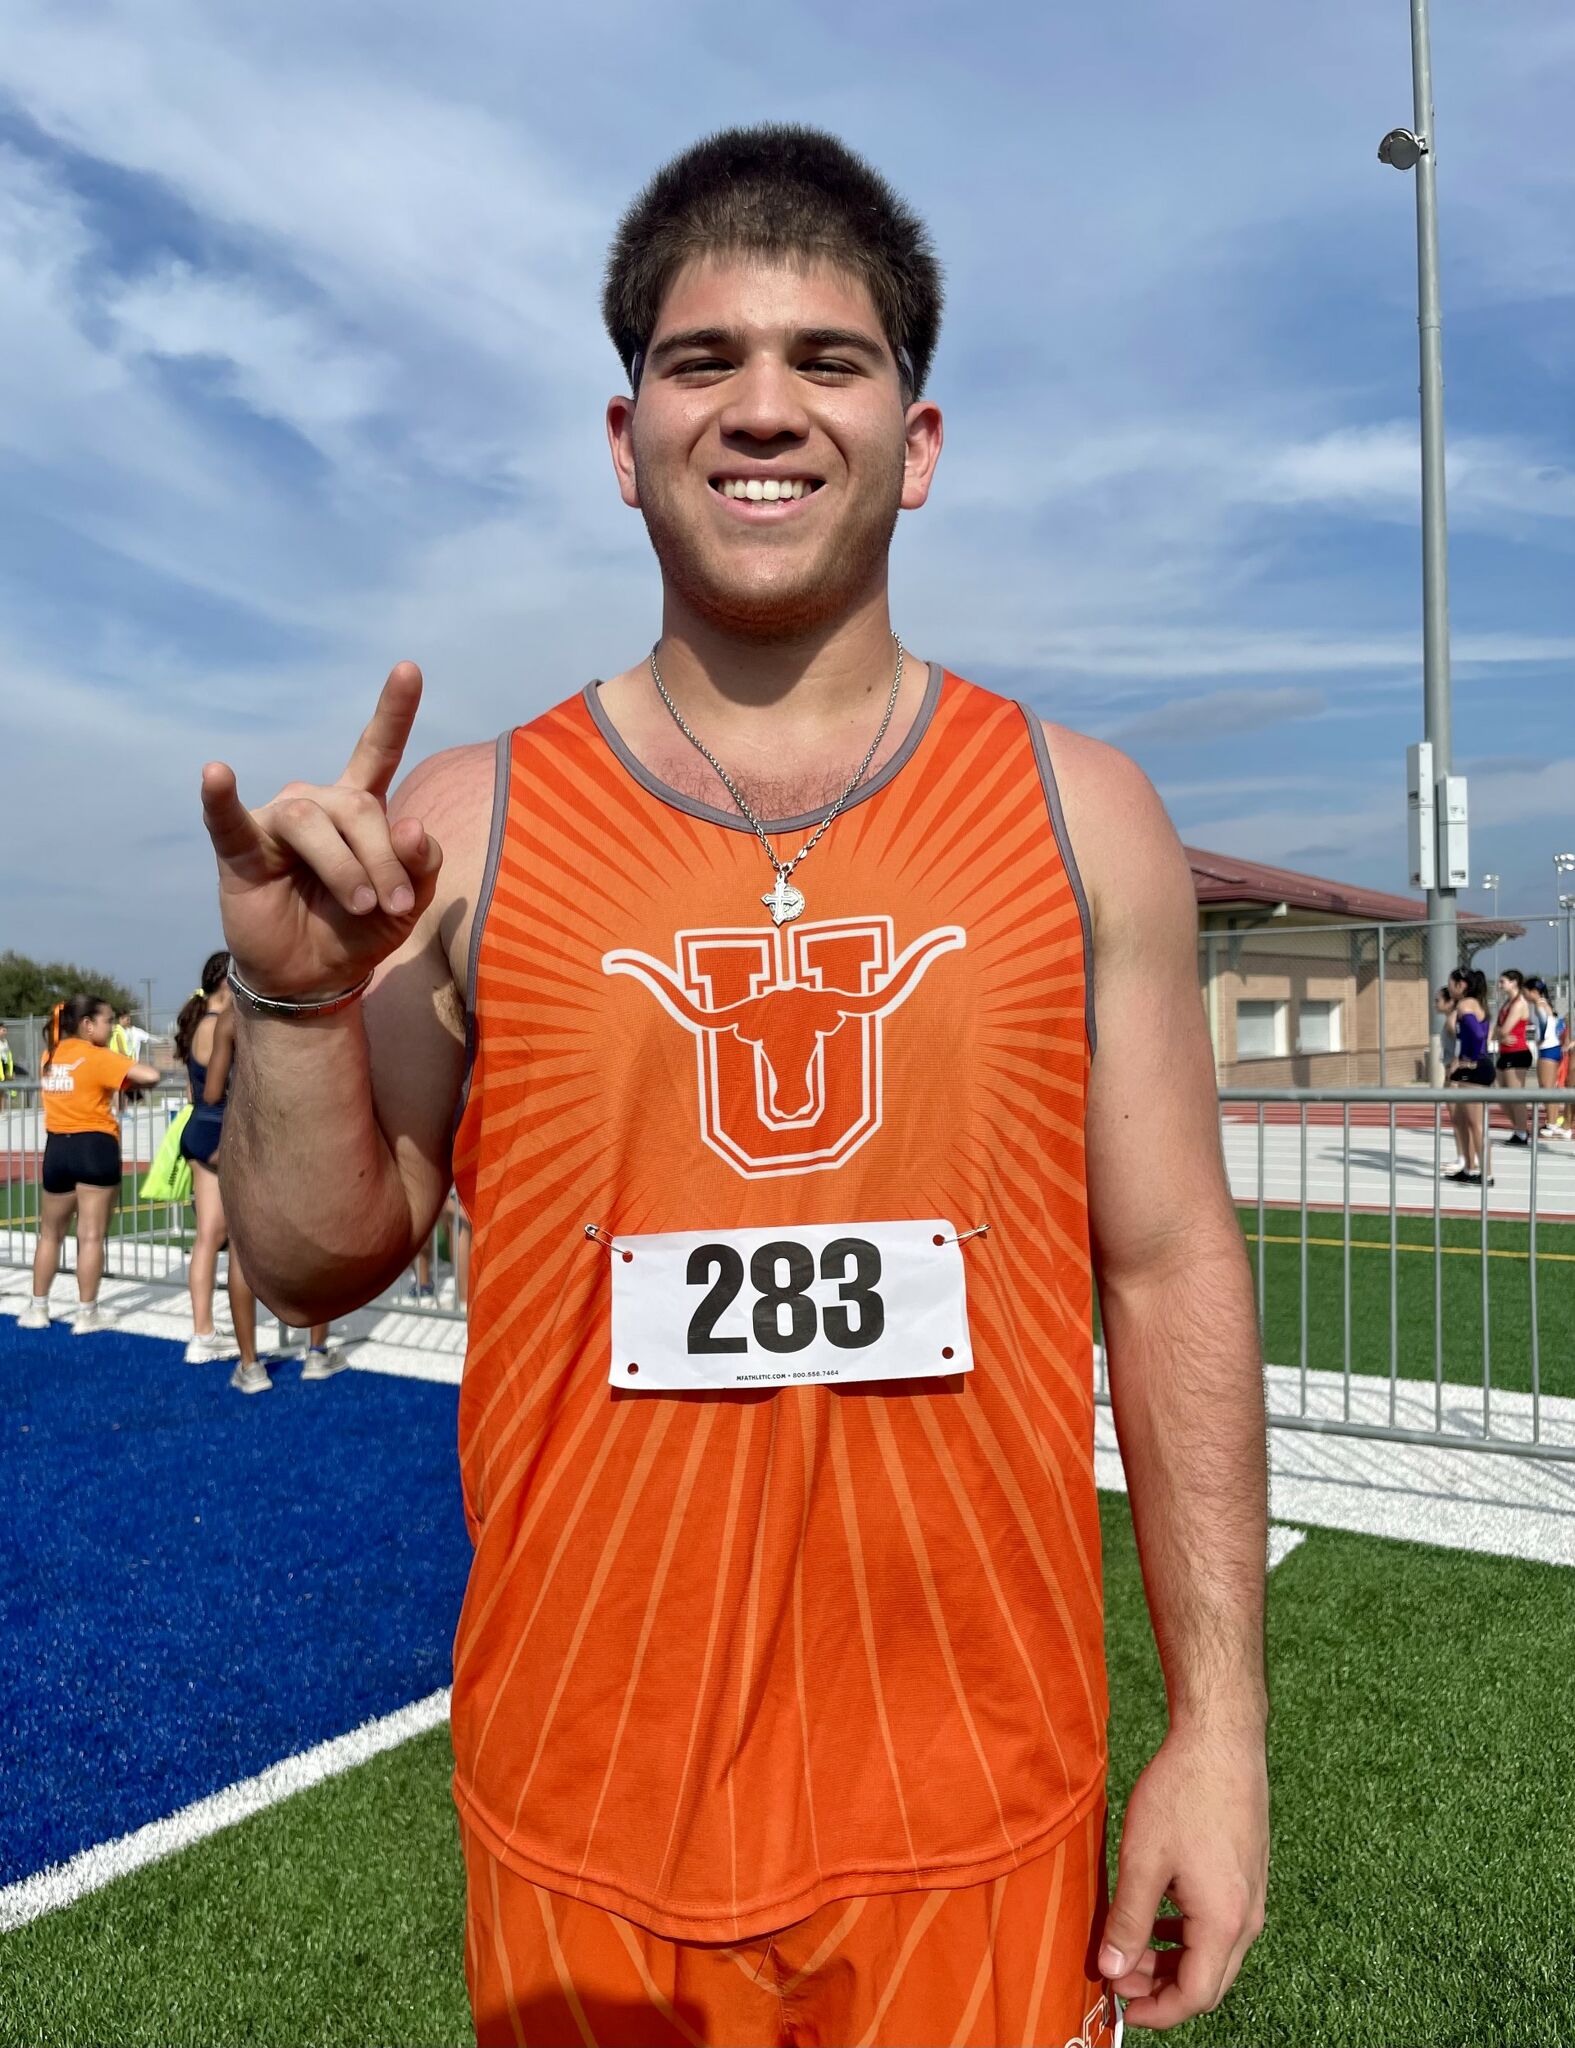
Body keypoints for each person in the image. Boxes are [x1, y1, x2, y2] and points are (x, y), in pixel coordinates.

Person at [201, 128, 1268, 2046]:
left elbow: (1174, 1261)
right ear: (624, 442)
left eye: (828, 360)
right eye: (703, 362)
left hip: (979, 1822)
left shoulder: (1080, 815)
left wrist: (1220, 1728)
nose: (763, 407)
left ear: (918, 444)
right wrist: (292, 1020)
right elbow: (313, 1263)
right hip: (586, 1819)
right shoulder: (472, 828)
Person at [18, 993, 162, 1332]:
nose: (111, 1028)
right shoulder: (98, 1056)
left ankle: (38, 1308)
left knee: (50, 1234)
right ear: (87, 1025)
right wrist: (119, 1064)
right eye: (107, 1021)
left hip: (57, 1149)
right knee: (91, 1236)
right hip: (94, 1146)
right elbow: (151, 1075)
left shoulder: (48, 1057)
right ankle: (87, 1312)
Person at [172, 953, 268, 1393]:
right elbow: (217, 1090)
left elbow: (199, 1090)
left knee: (208, 1237)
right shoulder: (223, 1024)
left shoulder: (199, 1023)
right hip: (219, 1134)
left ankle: (203, 1331)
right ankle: (211, 1333)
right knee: (231, 1241)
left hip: (198, 1131)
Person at [1443, 968, 1494, 1185]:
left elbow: (1478, 1034)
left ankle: (1487, 1174)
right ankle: (1470, 1169)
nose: (1449, 987)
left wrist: (1468, 1060)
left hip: (1475, 1069)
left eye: (1451, 983)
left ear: (1461, 985)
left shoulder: (1466, 1005)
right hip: (1472, 1068)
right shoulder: (1473, 1003)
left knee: (1476, 1124)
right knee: (1464, 1121)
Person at [1493, 968, 1534, 1145]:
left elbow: (1504, 1030)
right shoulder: (1506, 1003)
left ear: (1514, 982)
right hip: (1505, 1052)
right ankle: (1519, 1128)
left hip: (1518, 1053)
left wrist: (1499, 1033)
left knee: (1516, 1095)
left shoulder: (1519, 1003)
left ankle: (1521, 1132)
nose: (1500, 985)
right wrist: (1499, 1034)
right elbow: (1496, 1030)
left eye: (1503, 981)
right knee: (1500, 1093)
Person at [1527, 978, 1565, 1138]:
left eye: (1526, 992)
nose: (1526, 996)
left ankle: (1551, 1123)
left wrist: (1541, 1038)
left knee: (1546, 1088)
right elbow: (1559, 1024)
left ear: (1534, 992)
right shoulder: (1547, 1004)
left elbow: (1543, 1022)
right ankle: (1553, 1122)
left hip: (1547, 1049)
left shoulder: (1539, 1004)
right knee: (1552, 1088)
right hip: (1554, 1048)